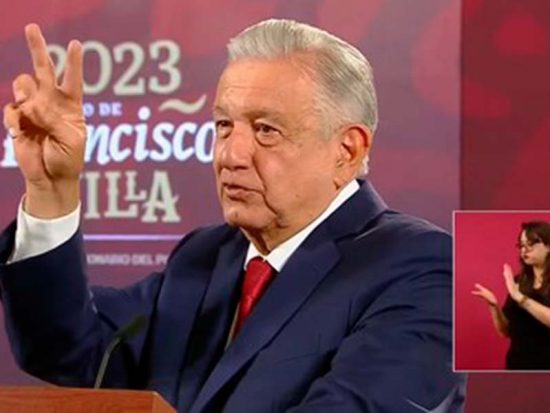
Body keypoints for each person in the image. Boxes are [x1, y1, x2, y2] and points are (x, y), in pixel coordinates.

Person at [1, 20, 465, 412]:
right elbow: (69, 349)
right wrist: (51, 189)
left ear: (347, 150)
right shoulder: (206, 256)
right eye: (224, 125)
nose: (230, 155)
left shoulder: (427, 269)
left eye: (266, 130)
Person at [473, 221, 550, 370]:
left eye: (531, 243)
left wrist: (520, 298)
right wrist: (494, 306)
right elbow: (505, 331)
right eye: (521, 245)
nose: (524, 249)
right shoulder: (518, 282)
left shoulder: (517, 291)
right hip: (517, 365)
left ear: (548, 246)